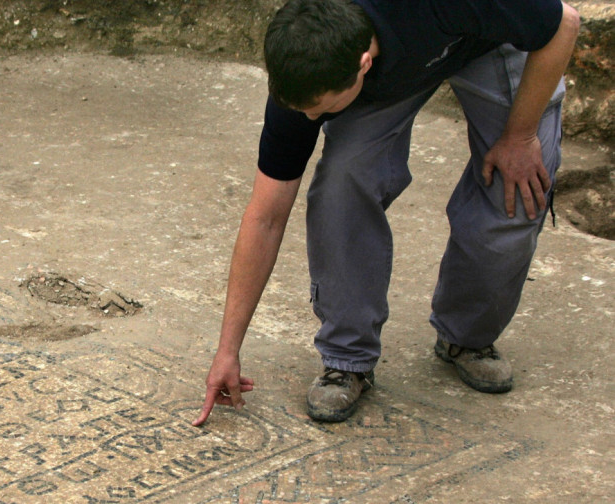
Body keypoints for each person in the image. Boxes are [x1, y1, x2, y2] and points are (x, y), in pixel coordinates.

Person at [193, 0, 580, 426]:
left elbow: (563, 25)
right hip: (400, 57)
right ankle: (348, 358)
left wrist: (521, 136)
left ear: (362, 64)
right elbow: (265, 216)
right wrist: (228, 350)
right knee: (342, 180)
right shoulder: (307, 67)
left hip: (491, 35)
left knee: (519, 189)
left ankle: (467, 337)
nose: (309, 120)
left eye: (320, 109)